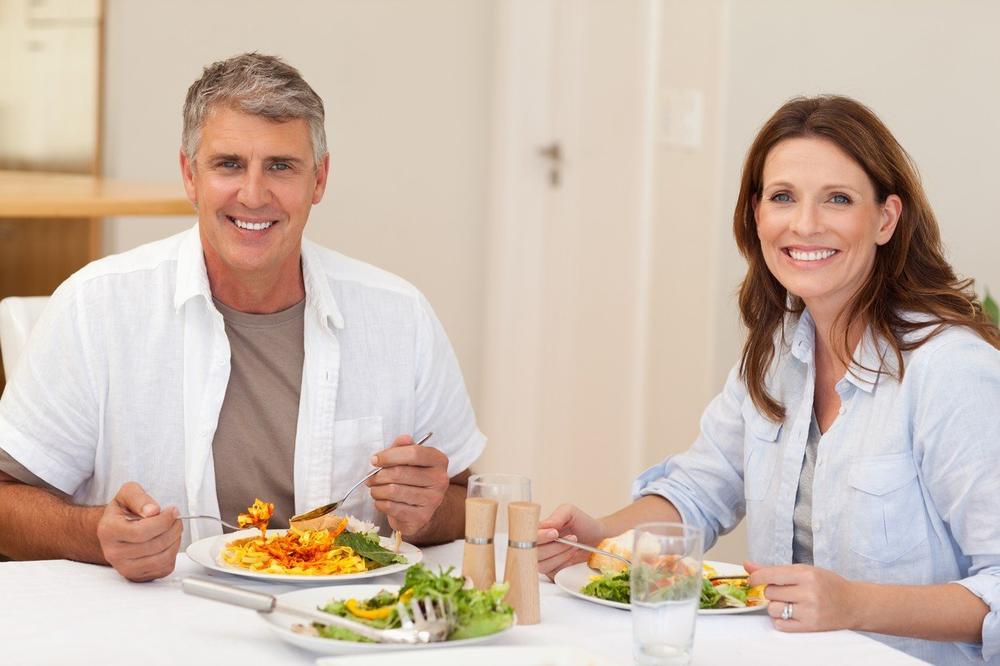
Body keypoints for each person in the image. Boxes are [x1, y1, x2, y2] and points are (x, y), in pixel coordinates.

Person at [536, 95, 1000, 664]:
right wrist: (597, 537)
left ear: (885, 219)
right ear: (757, 214)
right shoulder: (779, 348)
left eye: (838, 199)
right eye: (783, 197)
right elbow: (698, 492)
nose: (804, 224)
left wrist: (855, 604)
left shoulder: (951, 370)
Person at [0, 53, 484, 582]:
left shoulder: (399, 315)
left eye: (281, 166)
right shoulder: (96, 307)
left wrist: (426, 508)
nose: (253, 195)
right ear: (190, 175)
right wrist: (96, 533)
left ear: (318, 181)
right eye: (229, 164)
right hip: (158, 627)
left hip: (343, 624)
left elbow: (464, 500)